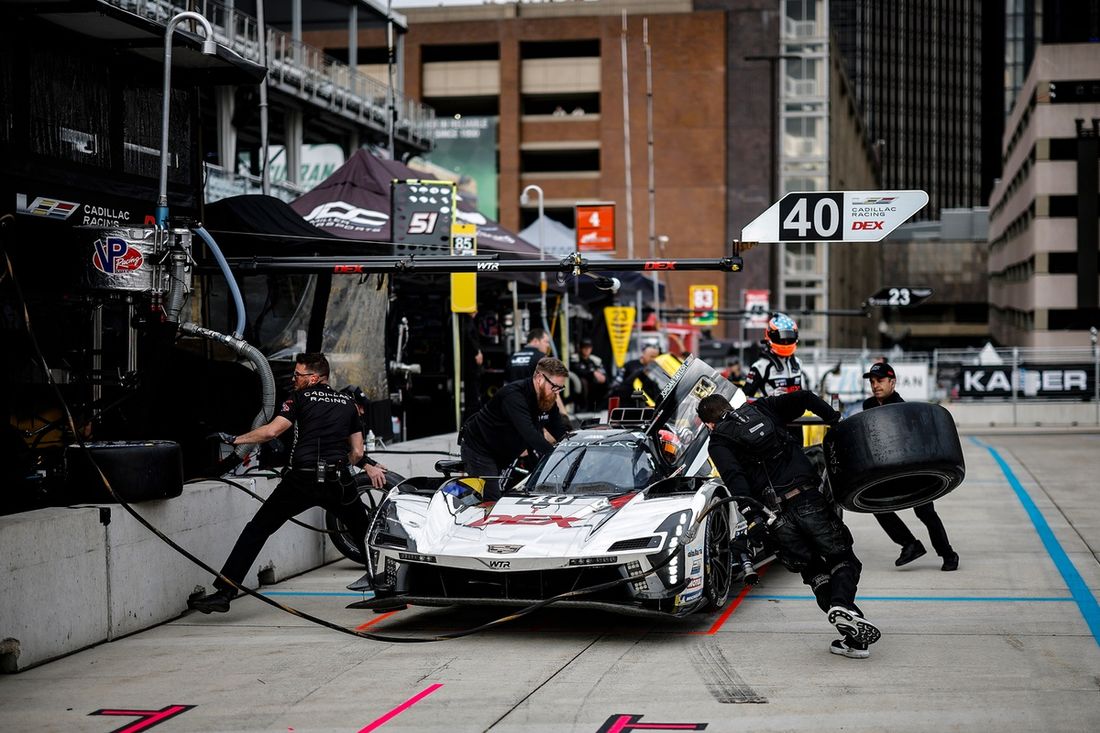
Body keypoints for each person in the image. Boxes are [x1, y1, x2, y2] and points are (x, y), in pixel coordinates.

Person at [697, 391, 881, 659]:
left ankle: (853, 637)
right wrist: (833, 419)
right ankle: (842, 605)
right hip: (807, 499)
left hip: (774, 516)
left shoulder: (718, 442)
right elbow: (804, 397)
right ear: (729, 406)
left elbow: (736, 480)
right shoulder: (762, 408)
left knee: (814, 571)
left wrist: (753, 518)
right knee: (843, 559)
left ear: (708, 424)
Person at [188, 353, 374, 614]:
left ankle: (225, 593)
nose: (293, 379)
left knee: (257, 530)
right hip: (338, 479)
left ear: (313, 378)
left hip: (302, 479)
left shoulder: (299, 398)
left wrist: (234, 439)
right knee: (364, 534)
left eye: (298, 375)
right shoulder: (348, 403)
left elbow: (272, 431)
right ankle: (386, 590)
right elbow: (357, 452)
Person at [862, 362, 959, 571]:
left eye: (880, 381)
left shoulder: (903, 408)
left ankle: (948, 554)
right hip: (886, 472)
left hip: (911, 471)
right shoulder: (867, 406)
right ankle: (910, 544)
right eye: (872, 381)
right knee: (876, 506)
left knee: (925, 512)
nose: (875, 385)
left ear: (892, 382)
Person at [459, 357, 570, 502]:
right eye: (555, 387)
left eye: (561, 388)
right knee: (491, 500)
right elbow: (530, 434)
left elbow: (560, 431)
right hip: (480, 450)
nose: (557, 393)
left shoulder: (547, 398)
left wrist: (575, 450)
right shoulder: (514, 396)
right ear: (539, 379)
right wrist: (558, 457)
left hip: (505, 450)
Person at [744, 312, 806, 442]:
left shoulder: (798, 363)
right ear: (770, 336)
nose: (785, 341)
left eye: (789, 337)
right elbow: (745, 398)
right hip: (773, 424)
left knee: (800, 451)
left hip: (797, 423)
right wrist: (769, 400)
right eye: (781, 337)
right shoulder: (760, 366)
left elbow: (804, 393)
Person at [571, 338, 607, 411]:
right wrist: (593, 373)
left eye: (589, 347)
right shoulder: (575, 358)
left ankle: (600, 406)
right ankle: (582, 407)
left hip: (594, 384)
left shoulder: (595, 360)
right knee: (583, 381)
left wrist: (602, 376)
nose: (587, 349)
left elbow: (602, 371)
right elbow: (577, 371)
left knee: (605, 382)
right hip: (580, 385)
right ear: (580, 348)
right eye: (585, 347)